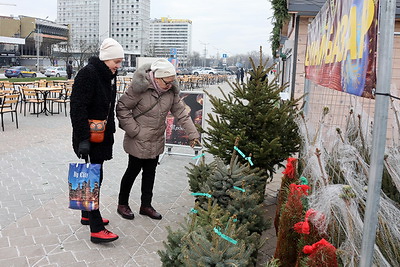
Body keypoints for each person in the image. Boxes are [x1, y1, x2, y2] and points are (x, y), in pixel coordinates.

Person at [116, 58, 201, 221]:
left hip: (156, 139)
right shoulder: (139, 88)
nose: (170, 85)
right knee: (132, 171)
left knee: (150, 173)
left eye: (172, 82)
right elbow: (122, 108)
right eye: (166, 82)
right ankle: (122, 204)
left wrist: (193, 135)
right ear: (156, 77)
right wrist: (134, 130)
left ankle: (146, 205)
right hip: (138, 139)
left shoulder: (171, 92)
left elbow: (182, 114)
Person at [70, 38, 124, 243]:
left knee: (95, 176)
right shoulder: (88, 74)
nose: (118, 66)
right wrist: (83, 139)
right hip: (88, 137)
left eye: (120, 62)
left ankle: (86, 213)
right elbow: (77, 107)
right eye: (116, 62)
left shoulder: (107, 75)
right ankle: (96, 228)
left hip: (101, 136)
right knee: (90, 179)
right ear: (106, 59)